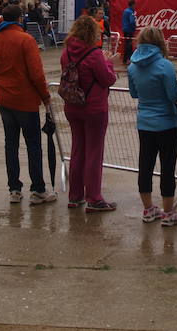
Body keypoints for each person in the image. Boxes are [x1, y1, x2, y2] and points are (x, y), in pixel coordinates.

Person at [0, 5, 56, 205]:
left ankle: (14, 189)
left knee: (11, 144)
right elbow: (36, 74)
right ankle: (37, 190)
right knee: (33, 144)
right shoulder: (26, 40)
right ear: (19, 19)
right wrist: (45, 97)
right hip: (25, 100)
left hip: (4, 99)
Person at [128, 26, 177, 226]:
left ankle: (148, 208)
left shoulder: (133, 66)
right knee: (167, 167)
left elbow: (134, 93)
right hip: (167, 122)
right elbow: (173, 95)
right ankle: (168, 212)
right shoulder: (164, 65)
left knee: (145, 164)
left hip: (144, 121)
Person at [60, 14, 118, 213]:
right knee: (94, 152)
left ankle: (75, 196)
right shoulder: (94, 55)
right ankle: (94, 197)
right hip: (93, 108)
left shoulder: (66, 52)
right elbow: (107, 79)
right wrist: (109, 62)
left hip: (72, 105)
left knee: (78, 150)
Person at [121, 0, 137, 65]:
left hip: (125, 29)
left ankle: (125, 59)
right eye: (135, 5)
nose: (135, 6)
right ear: (133, 5)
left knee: (127, 44)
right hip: (129, 30)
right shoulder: (130, 12)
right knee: (129, 45)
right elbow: (132, 22)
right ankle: (129, 59)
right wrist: (134, 28)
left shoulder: (125, 11)